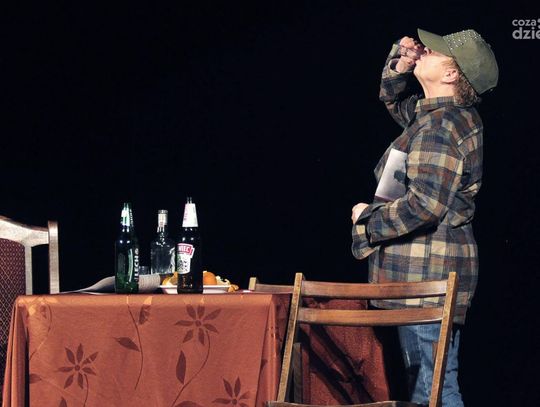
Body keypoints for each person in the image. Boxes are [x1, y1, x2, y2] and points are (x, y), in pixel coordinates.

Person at [351, 28, 498, 406]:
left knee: (433, 389)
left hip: (425, 277)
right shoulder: (440, 115)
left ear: (451, 74)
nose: (425, 50)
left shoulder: (442, 126)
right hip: (427, 276)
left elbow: (424, 206)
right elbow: (396, 101)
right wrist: (400, 64)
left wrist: (368, 219)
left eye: (436, 52)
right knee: (430, 385)